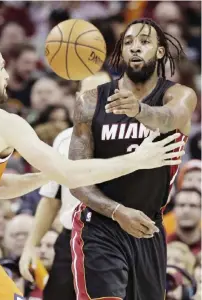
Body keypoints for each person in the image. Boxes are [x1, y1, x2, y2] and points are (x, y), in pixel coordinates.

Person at [0, 37, 184, 300]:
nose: (7, 76)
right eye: (2, 69)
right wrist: (138, 160)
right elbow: (69, 174)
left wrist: (42, 176)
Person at [68, 18, 197, 300]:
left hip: (148, 228)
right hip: (100, 225)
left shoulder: (178, 95)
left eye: (144, 42)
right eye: (128, 42)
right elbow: (75, 178)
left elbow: (169, 120)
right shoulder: (90, 100)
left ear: (160, 51)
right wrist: (117, 212)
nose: (135, 48)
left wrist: (138, 110)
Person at [19, 71, 112, 300]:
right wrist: (30, 245)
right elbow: (51, 200)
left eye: (103, 93)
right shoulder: (64, 139)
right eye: (90, 94)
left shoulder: (129, 140)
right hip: (70, 239)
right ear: (79, 97)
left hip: (112, 240)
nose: (96, 100)